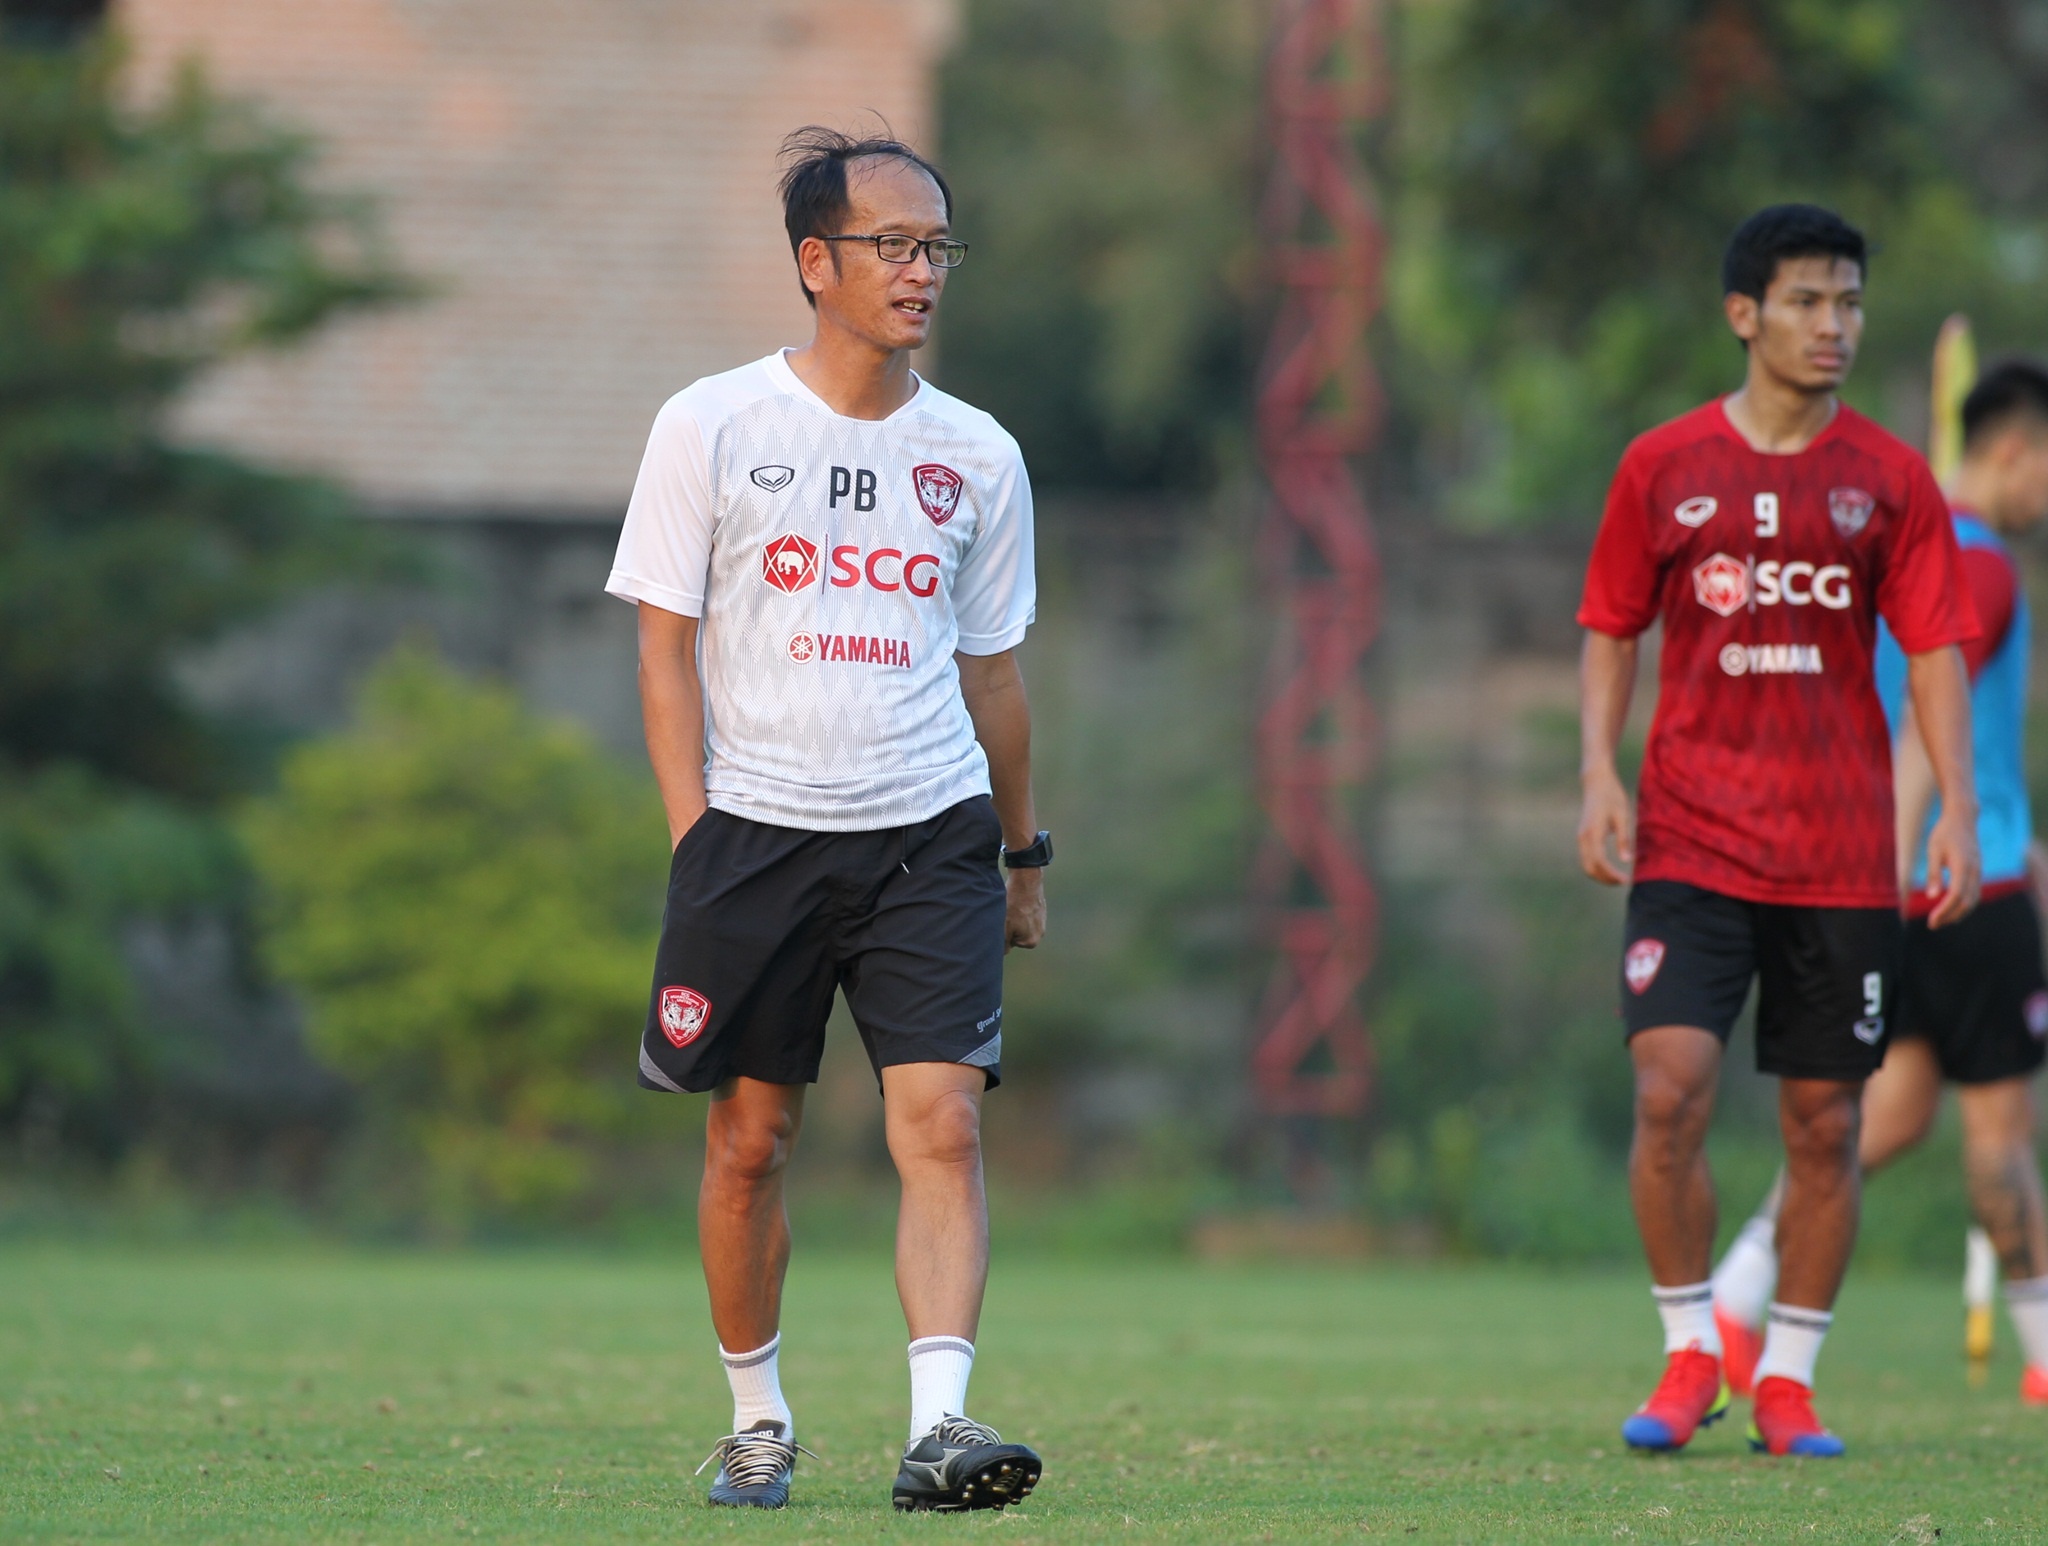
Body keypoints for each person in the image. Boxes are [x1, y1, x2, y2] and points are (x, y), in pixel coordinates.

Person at [604, 126, 1049, 1512]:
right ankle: (756, 1418)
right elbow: (664, 649)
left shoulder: (977, 455)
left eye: (938, 248)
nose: (923, 273)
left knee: (944, 1125)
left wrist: (1023, 853)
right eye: (892, 245)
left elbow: (996, 677)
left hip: (930, 831)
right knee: (749, 1141)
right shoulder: (713, 425)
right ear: (816, 262)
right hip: (754, 839)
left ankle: (941, 1426)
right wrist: (696, 840)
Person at [1576, 203, 1983, 1459]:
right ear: (1743, 313)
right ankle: (1691, 1348)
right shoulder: (1661, 464)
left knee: (1821, 1121)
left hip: (1838, 850)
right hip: (1693, 841)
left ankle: (1790, 1374)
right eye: (1808, 301)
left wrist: (1956, 803)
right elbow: (1610, 622)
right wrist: (1595, 767)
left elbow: (1931, 649)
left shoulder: (1890, 479)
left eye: (1849, 302)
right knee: (1669, 1090)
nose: (1834, 325)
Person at [1711, 359, 2048, 1407]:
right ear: (2011, 450)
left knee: (1885, 1117)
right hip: (1961, 888)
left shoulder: (1892, 556)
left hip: (1887, 882)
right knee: (1996, 1136)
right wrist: (1900, 861)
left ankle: (1736, 1286)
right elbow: (1920, 728)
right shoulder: (1981, 567)